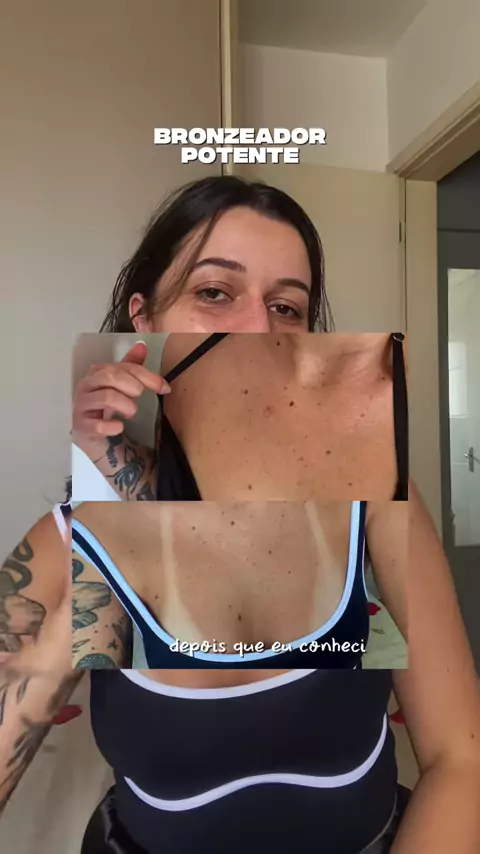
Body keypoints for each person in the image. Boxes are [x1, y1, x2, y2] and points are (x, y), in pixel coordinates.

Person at [1, 176, 479, 853]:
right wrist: (97, 579)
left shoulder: (371, 501)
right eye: (214, 293)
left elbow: (462, 760)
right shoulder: (71, 538)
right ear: (144, 322)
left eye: (286, 307)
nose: (257, 331)